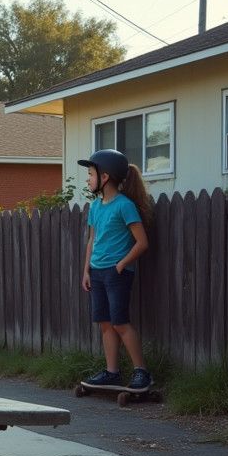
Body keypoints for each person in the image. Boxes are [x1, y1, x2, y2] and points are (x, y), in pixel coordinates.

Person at [77, 149, 154, 390]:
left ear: (105, 177)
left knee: (120, 322)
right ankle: (112, 373)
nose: (88, 179)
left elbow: (142, 243)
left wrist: (121, 264)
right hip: (97, 272)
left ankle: (142, 372)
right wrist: (86, 271)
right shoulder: (96, 207)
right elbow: (92, 240)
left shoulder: (124, 206)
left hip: (117, 273)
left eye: (90, 174)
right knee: (105, 324)